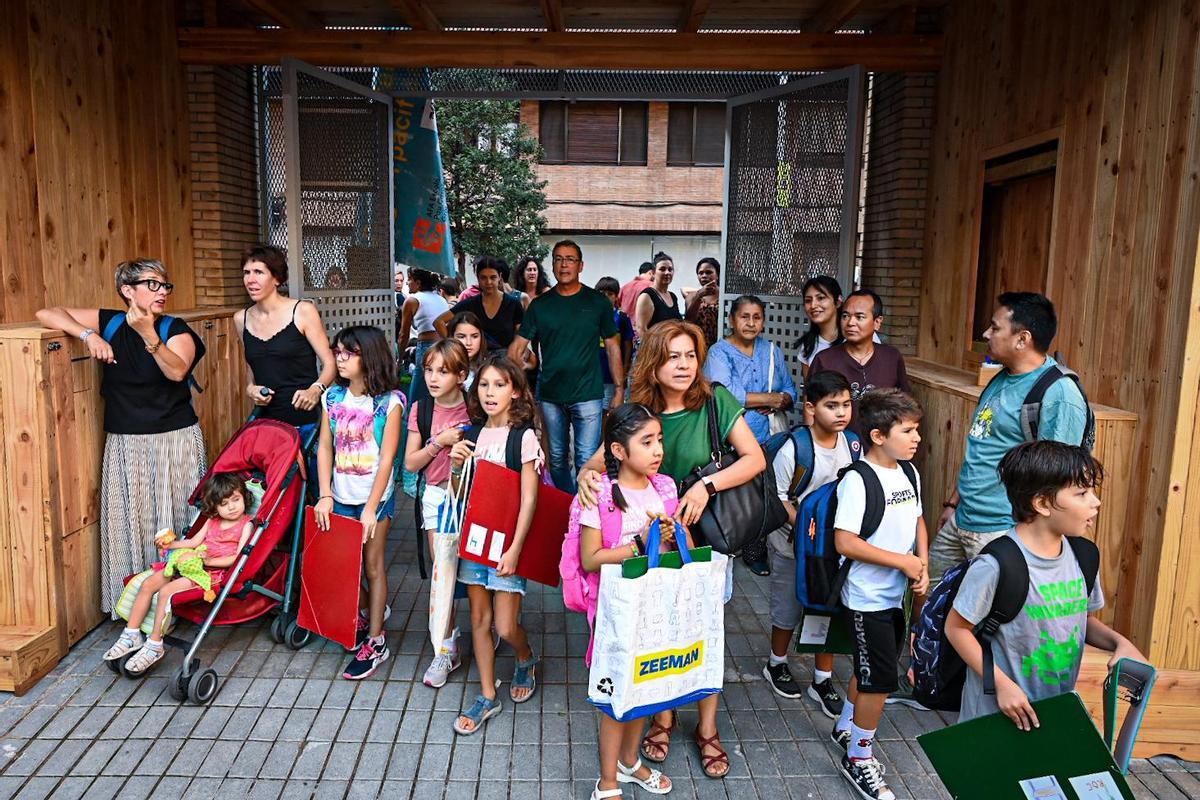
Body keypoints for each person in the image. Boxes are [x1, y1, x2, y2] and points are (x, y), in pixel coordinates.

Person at [577, 320, 767, 780]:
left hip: (707, 539)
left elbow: (755, 459)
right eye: (672, 357)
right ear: (654, 362)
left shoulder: (715, 400)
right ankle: (662, 717)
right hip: (655, 546)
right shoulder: (638, 409)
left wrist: (706, 484)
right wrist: (586, 471)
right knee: (659, 632)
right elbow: (606, 455)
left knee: (704, 632)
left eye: (690, 355)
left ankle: (706, 729)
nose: (683, 365)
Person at [36, 259, 208, 617]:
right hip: (126, 441)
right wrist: (88, 335)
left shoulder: (176, 328)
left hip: (173, 440)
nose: (162, 292)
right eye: (153, 285)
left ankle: (179, 601)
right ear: (128, 290)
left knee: (179, 518)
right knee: (132, 521)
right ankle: (134, 603)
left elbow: (177, 371)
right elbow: (46, 312)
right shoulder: (110, 321)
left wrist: (149, 334)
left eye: (165, 286)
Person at [946, 441, 1144, 727]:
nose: (1095, 501)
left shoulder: (1084, 556)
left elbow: (1079, 618)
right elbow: (956, 629)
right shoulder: (997, 564)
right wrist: (1001, 685)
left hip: (1051, 712)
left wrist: (1119, 643)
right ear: (1041, 503)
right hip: (994, 717)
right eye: (1081, 493)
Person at [930, 292, 1091, 584]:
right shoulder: (1000, 378)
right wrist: (954, 504)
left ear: (1022, 338)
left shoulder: (1059, 394)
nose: (985, 334)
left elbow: (1057, 477)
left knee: (987, 624)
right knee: (933, 609)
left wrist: (1027, 541)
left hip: (1003, 530)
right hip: (962, 519)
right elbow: (984, 447)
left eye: (994, 327)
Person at [829, 389, 928, 800]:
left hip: (895, 595)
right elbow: (844, 542)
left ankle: (846, 727)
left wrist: (921, 562)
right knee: (880, 680)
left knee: (869, 668)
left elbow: (918, 518)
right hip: (867, 596)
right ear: (877, 435)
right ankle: (859, 758)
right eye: (907, 430)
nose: (916, 437)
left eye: (917, 429)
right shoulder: (858, 480)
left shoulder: (909, 472)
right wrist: (901, 563)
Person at [579, 405, 678, 800]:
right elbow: (591, 559)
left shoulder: (666, 488)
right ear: (618, 451)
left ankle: (630, 761)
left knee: (646, 690)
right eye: (647, 442)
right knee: (616, 696)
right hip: (615, 611)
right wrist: (639, 543)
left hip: (654, 607)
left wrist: (670, 534)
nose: (657, 450)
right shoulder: (601, 493)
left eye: (659, 441)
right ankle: (607, 781)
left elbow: (669, 551)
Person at [449, 354, 542, 735]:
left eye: (500, 385)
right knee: (479, 621)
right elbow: (460, 496)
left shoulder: (524, 437)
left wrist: (516, 549)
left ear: (516, 391)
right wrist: (455, 468)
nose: (489, 393)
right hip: (474, 542)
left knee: (505, 625)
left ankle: (525, 655)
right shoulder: (469, 434)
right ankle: (487, 695)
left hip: (507, 544)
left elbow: (530, 499)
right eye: (483, 384)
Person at [313, 325, 405, 681]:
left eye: (348, 353)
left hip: (374, 501)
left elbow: (387, 459)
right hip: (339, 496)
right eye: (338, 352)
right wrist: (325, 494)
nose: (340, 358)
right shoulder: (332, 398)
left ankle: (376, 640)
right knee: (344, 569)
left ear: (369, 356)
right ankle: (371, 612)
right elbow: (324, 446)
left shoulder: (390, 402)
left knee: (372, 566)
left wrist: (370, 508)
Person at [763, 371, 857, 718]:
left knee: (824, 608)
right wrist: (805, 530)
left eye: (846, 404)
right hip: (792, 544)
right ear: (810, 408)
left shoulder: (854, 445)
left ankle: (822, 679)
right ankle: (776, 663)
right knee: (787, 606)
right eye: (831, 406)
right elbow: (778, 498)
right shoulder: (794, 449)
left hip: (831, 548)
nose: (841, 412)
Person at [102, 473, 254, 675]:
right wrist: (171, 545)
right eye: (225, 503)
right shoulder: (212, 522)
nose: (232, 507)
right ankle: (131, 634)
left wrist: (207, 561)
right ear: (215, 506)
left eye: (236, 500)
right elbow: (192, 543)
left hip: (208, 572)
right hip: (188, 561)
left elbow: (237, 558)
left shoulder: (246, 524)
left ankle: (155, 644)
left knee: (166, 592)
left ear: (244, 497)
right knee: (148, 584)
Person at [508, 240, 624, 494]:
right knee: (558, 459)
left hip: (588, 394)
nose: (564, 264)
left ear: (580, 265)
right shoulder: (540, 305)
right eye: (559, 259)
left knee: (586, 460)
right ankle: (570, 504)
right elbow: (517, 347)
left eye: (570, 259)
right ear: (553, 264)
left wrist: (619, 388)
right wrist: (508, 385)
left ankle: (580, 511)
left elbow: (614, 346)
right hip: (550, 394)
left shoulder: (597, 302)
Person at [403, 339, 473, 689]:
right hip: (435, 498)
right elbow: (410, 462)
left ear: (462, 375)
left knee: (474, 570)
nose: (432, 377)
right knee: (443, 572)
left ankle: (487, 632)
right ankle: (444, 649)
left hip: (472, 498)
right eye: (428, 369)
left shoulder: (477, 408)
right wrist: (440, 442)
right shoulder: (422, 410)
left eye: (442, 371)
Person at [236, 245, 335, 434]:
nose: (250, 280)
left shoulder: (303, 311)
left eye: (258, 272)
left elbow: (330, 362)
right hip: (266, 424)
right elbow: (252, 367)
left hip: (306, 423)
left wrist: (315, 389)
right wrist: (250, 388)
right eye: (246, 273)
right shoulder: (241, 319)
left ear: (276, 278)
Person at [808, 290, 910, 440]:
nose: (850, 323)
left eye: (859, 317)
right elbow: (810, 409)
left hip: (881, 449)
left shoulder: (891, 357)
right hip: (838, 450)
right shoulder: (824, 360)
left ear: (877, 322)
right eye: (845, 316)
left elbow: (904, 406)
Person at [703, 294, 796, 444]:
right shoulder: (718, 353)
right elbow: (726, 396)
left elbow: (790, 389)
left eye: (757, 317)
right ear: (731, 320)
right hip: (733, 442)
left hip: (772, 439)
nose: (751, 323)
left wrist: (783, 400)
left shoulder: (772, 351)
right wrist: (769, 399)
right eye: (744, 317)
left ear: (763, 322)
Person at [435, 256, 524, 351]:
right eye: (483, 278)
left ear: (500, 277)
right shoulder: (469, 304)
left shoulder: (513, 304)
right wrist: (455, 347)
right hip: (477, 362)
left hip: (506, 361)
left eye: (493, 277)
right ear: (478, 278)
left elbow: (522, 336)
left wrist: (514, 352)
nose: (488, 282)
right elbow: (438, 322)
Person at [396, 266, 450, 407]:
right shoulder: (441, 299)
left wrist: (399, 359)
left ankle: (410, 424)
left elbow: (403, 334)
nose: (407, 283)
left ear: (418, 282)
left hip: (426, 348)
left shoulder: (412, 300)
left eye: (410, 280)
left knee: (416, 397)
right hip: (445, 347)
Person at [595, 277, 635, 407]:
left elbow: (628, 345)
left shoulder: (622, 318)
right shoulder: (591, 317)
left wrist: (624, 369)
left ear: (616, 296)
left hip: (613, 375)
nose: (606, 297)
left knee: (609, 409)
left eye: (610, 294)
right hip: (594, 374)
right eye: (602, 293)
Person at [634, 252, 682, 336]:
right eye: (662, 269)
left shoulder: (673, 296)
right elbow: (641, 329)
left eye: (670, 269)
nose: (667, 273)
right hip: (654, 347)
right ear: (653, 272)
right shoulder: (647, 296)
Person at [684, 257, 721, 346]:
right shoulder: (692, 296)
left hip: (720, 345)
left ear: (717, 275)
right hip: (699, 345)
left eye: (709, 272)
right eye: (700, 273)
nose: (704, 276)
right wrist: (699, 296)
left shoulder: (724, 296)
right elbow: (689, 322)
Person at [449, 311, 485, 391]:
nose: (468, 343)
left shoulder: (489, 367)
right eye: (461, 337)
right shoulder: (441, 366)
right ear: (452, 337)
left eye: (474, 336)